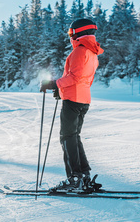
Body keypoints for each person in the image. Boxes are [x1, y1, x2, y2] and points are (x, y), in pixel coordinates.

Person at [40, 18, 104, 192]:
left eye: (70, 33)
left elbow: (74, 77)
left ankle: (74, 178)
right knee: (74, 137)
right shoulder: (92, 53)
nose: (70, 36)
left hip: (73, 100)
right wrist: (61, 90)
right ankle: (84, 176)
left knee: (67, 137)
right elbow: (84, 80)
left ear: (78, 33)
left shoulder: (79, 52)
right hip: (83, 99)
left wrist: (54, 84)